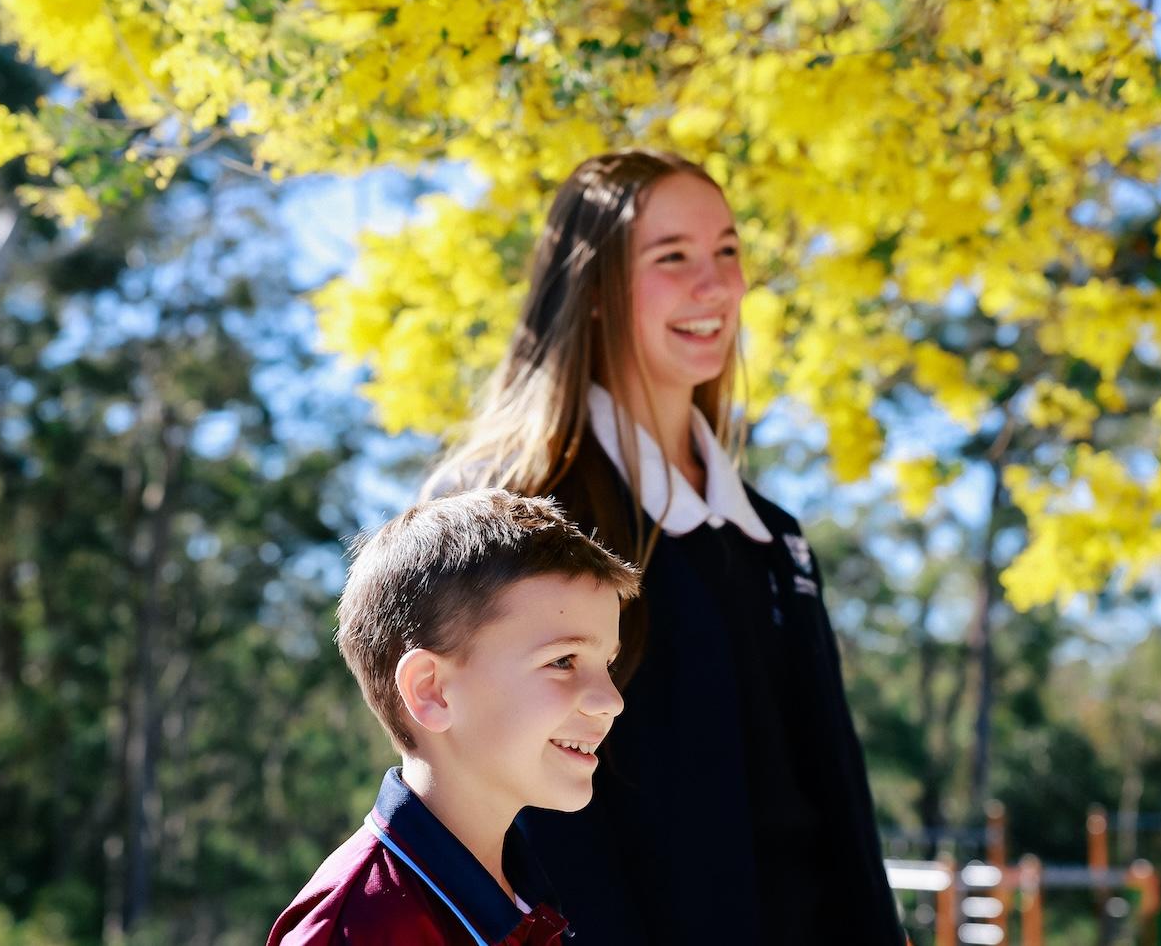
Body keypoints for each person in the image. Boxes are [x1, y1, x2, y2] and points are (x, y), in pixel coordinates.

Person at [427, 150, 907, 944]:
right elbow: (522, 818)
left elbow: (839, 817)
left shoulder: (775, 540)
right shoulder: (515, 514)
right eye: (672, 257)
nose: (714, 284)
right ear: (591, 291)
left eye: (727, 250)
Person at [267, 489, 639, 946]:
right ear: (432, 690)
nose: (611, 701)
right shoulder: (356, 929)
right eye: (563, 661)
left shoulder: (530, 902)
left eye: (609, 665)